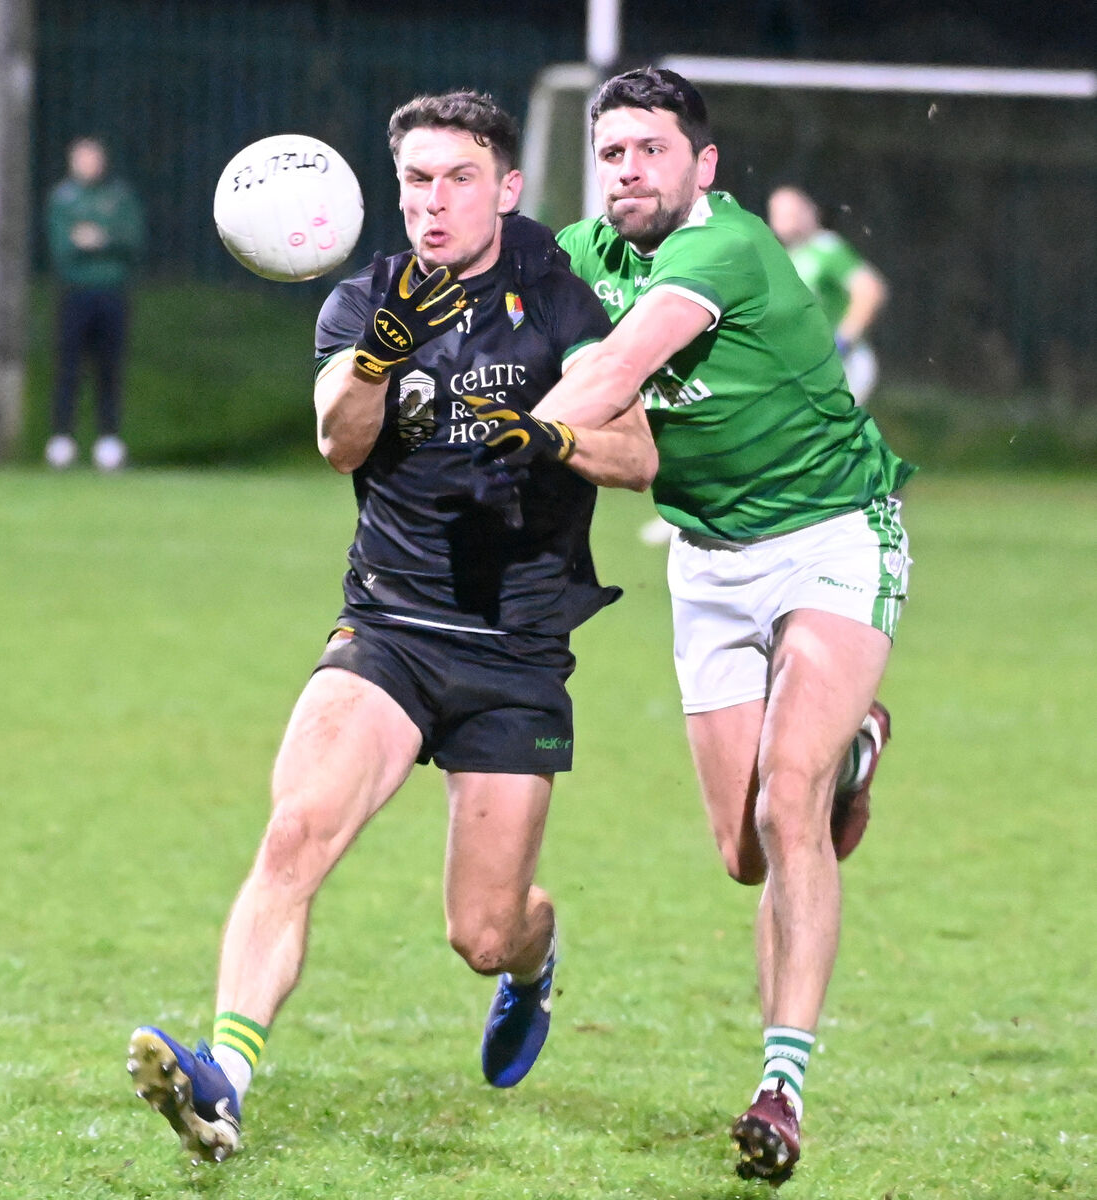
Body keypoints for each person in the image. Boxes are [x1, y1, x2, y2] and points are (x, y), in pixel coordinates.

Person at [125, 90, 657, 1164]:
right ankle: (223, 1078)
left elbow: (640, 456)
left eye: (459, 178)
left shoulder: (560, 297)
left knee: (481, 932)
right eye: (416, 179)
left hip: (515, 652)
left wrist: (547, 437)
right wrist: (376, 359)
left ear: (506, 188)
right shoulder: (367, 300)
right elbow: (337, 441)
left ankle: (531, 960)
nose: (434, 201)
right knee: (293, 837)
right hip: (389, 631)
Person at [473, 67, 914, 1185]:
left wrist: (516, 434)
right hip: (709, 564)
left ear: (701, 166)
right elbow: (487, 293)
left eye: (651, 151)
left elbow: (619, 367)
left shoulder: (723, 248)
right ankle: (858, 747)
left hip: (831, 537)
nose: (629, 170)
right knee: (742, 851)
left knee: (791, 801)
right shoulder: (583, 250)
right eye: (612, 152)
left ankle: (782, 1084)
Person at [44, 136, 144, 472]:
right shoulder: (63, 199)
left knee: (110, 367)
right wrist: (97, 242)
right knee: (69, 366)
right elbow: (63, 249)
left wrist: (100, 239)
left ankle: (109, 439)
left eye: (94, 157)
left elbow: (131, 241)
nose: (89, 164)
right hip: (75, 293)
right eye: (83, 158)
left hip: (112, 293)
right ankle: (62, 438)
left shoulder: (119, 197)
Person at [767, 185, 887, 407]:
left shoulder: (827, 249)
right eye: (779, 214)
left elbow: (870, 290)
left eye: (792, 213)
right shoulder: (786, 258)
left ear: (810, 212)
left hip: (842, 365)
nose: (785, 221)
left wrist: (843, 340)